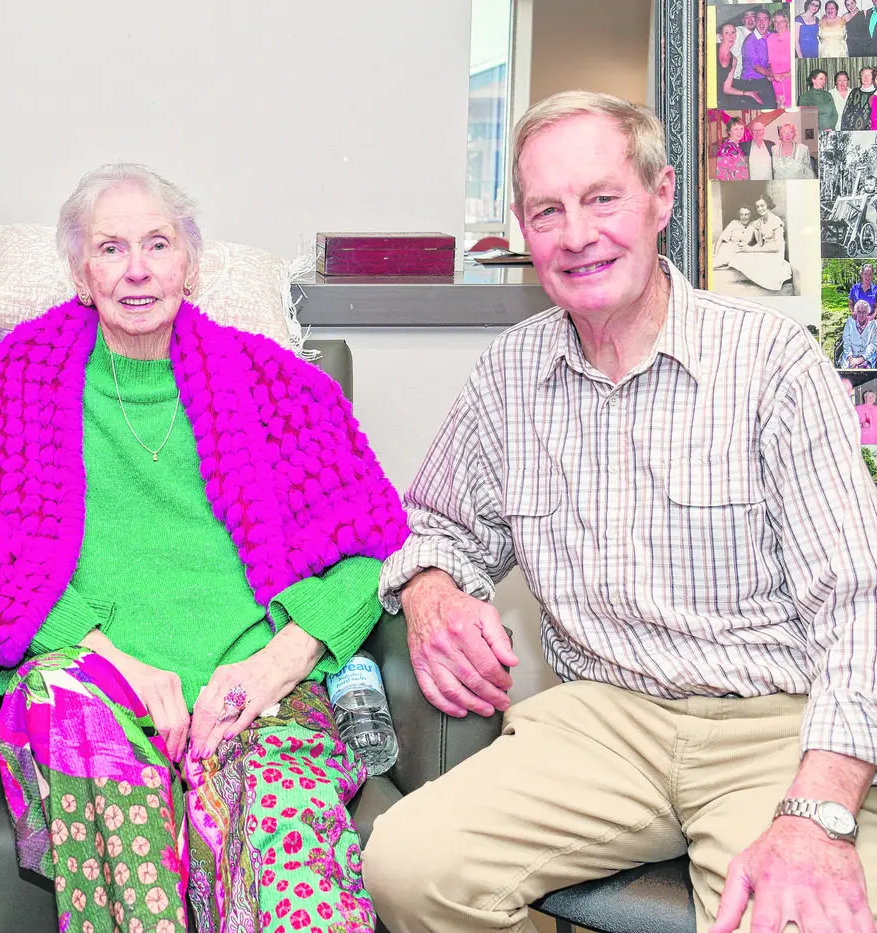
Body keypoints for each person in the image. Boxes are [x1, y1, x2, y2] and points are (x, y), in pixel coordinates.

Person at [362, 90, 877, 933]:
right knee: (405, 865)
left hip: (771, 723)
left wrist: (815, 813)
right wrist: (429, 587)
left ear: (661, 197)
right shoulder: (508, 375)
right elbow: (433, 527)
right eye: (546, 211)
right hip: (602, 719)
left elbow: (859, 604)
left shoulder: (771, 363)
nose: (576, 234)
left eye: (602, 198)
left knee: (791, 919)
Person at [0, 163, 407, 933]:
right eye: (111, 248)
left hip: (254, 694)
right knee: (73, 713)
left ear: (188, 262)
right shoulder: (15, 380)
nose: (137, 268)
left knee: (290, 855)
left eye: (157, 243)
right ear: (81, 274)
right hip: (90, 684)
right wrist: (117, 667)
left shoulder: (279, 387)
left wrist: (268, 669)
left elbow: (371, 548)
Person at [719, 22, 768, 108]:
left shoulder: (734, 60)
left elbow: (727, 89)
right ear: (720, 36)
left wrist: (748, 93)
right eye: (726, 33)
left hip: (720, 99)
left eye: (733, 32)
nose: (731, 36)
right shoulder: (711, 50)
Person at [714, 204, 756, 269]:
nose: (744, 217)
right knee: (716, 263)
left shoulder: (754, 225)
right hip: (729, 248)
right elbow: (721, 238)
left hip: (742, 251)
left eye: (746, 214)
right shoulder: (733, 223)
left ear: (750, 215)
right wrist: (715, 254)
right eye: (741, 214)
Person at [768, 11, 794, 107]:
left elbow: (797, 62)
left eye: (782, 21)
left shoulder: (793, 37)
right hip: (776, 81)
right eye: (776, 22)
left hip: (790, 80)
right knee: (780, 107)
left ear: (787, 22)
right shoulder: (770, 38)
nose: (779, 25)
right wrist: (769, 72)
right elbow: (769, 61)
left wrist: (785, 74)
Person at [843, 298, 877, 368]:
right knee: (847, 372)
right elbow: (846, 341)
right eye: (859, 312)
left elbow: (874, 344)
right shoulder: (850, 322)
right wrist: (851, 358)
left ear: (868, 312)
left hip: (867, 356)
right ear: (855, 312)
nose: (861, 314)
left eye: (864, 312)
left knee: (866, 373)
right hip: (850, 355)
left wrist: (861, 359)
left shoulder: (873, 324)